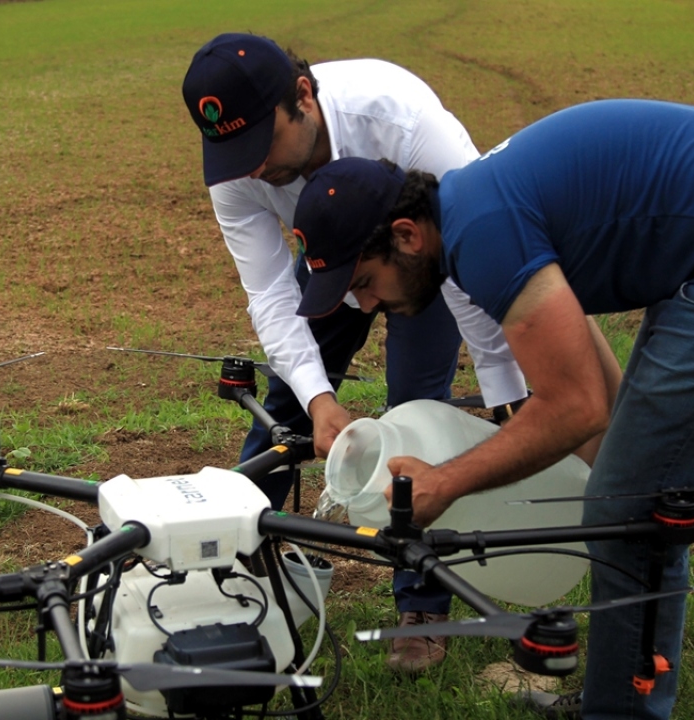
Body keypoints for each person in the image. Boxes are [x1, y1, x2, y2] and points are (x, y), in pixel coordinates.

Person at [289, 99, 694, 719]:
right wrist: (621, 466)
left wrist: (445, 483)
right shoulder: (471, 212)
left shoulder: (483, 236)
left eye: (365, 283)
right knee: (628, 501)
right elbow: (600, 403)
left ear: (406, 235)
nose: (369, 304)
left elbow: (576, 405)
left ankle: (619, 712)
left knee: (627, 511)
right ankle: (617, 697)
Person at [181, 33, 531, 672]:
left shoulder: (397, 115)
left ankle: (421, 602)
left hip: (422, 266)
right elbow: (267, 293)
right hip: (322, 271)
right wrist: (318, 399)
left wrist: (509, 393)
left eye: (262, 146)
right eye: (235, 154)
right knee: (283, 412)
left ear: (304, 98)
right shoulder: (237, 168)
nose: (253, 168)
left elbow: (476, 252)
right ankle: (229, 574)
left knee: (416, 414)